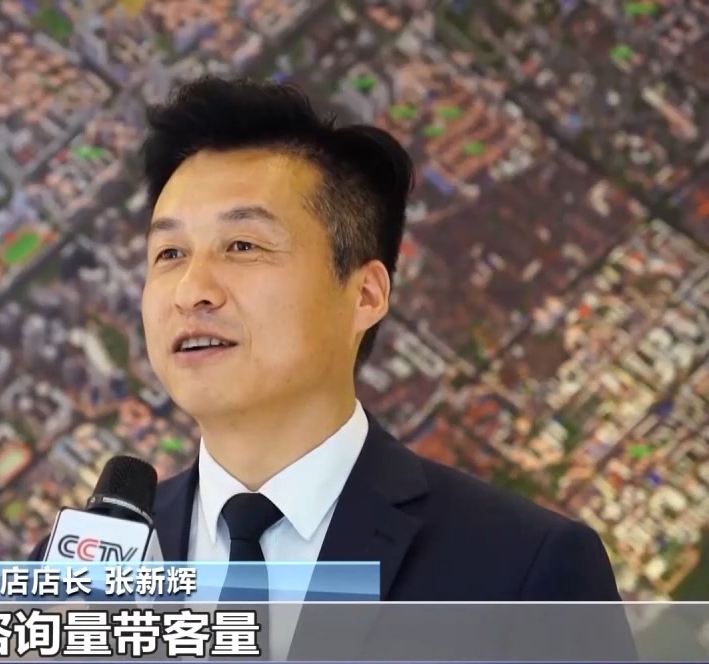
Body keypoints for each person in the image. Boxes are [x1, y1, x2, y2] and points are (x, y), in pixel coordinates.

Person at [31, 77, 635, 661]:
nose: (192, 290)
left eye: (242, 245)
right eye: (169, 253)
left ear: (365, 294)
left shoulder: (523, 570)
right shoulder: (74, 578)